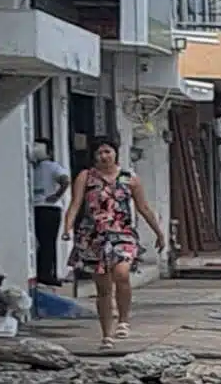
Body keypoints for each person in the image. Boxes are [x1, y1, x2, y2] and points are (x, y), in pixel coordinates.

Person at [66, 138, 167, 350]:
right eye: (99, 152)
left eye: (107, 151)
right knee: (103, 288)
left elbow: (143, 207)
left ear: (115, 153)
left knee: (121, 274)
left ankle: (123, 319)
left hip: (122, 232)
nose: (104, 156)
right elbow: (75, 204)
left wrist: (159, 232)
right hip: (94, 235)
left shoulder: (129, 178)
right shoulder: (86, 177)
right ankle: (106, 335)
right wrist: (67, 227)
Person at [28, 140, 68, 287]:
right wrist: (56, 196)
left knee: (42, 242)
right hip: (50, 208)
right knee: (48, 242)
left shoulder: (37, 168)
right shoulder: (51, 167)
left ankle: (44, 272)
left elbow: (64, 181)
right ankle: (46, 273)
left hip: (39, 207)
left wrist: (57, 195)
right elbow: (65, 180)